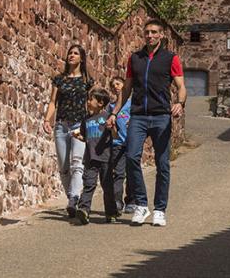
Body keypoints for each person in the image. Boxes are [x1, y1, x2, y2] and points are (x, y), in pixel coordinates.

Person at [108, 17, 185, 227]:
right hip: (138, 116)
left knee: (162, 164)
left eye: (154, 32)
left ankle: (160, 209)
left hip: (161, 116)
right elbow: (126, 89)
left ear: (161, 35)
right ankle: (141, 205)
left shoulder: (170, 58)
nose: (150, 35)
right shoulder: (135, 59)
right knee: (132, 157)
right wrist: (114, 113)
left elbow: (181, 86)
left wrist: (180, 103)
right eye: (147, 32)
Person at [43, 43, 93, 216]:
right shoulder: (59, 79)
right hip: (61, 125)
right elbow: (53, 102)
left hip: (79, 125)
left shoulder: (87, 81)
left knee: (77, 163)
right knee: (64, 167)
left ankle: (74, 198)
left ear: (81, 58)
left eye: (75, 53)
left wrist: (92, 124)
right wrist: (47, 119)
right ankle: (71, 197)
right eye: (70, 53)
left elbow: (92, 104)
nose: (71, 55)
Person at [71, 87, 120, 224]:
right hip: (90, 158)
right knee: (89, 184)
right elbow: (85, 137)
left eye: (91, 99)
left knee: (107, 186)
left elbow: (115, 136)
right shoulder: (86, 119)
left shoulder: (107, 117)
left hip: (105, 158)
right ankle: (84, 210)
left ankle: (111, 213)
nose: (88, 102)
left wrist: (112, 128)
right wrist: (78, 136)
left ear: (100, 103)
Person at [108, 74, 134, 213]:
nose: (115, 87)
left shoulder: (131, 104)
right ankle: (117, 201)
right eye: (113, 86)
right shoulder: (111, 107)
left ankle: (131, 200)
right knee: (118, 173)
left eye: (118, 84)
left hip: (131, 142)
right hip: (117, 143)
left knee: (132, 172)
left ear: (125, 86)